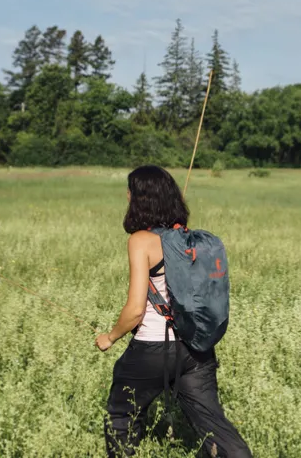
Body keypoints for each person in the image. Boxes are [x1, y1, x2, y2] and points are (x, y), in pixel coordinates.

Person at [95, 165, 251, 458]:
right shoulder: (191, 240)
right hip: (197, 348)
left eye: (129, 193)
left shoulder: (141, 241)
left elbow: (134, 311)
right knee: (214, 426)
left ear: (139, 199)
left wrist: (110, 337)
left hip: (152, 348)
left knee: (121, 415)